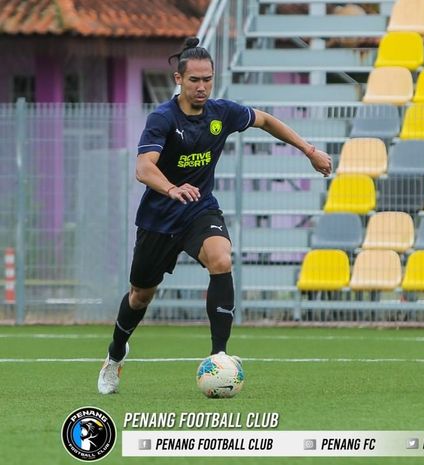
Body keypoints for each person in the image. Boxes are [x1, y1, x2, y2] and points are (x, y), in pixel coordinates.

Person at [98, 37, 332, 394]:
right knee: (140, 296)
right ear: (178, 78)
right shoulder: (162, 118)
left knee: (221, 258)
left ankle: (219, 356)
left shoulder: (222, 113)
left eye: (208, 79)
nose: (202, 86)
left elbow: (265, 120)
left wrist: (309, 150)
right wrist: (172, 189)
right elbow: (144, 169)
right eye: (194, 80)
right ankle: (115, 354)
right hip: (160, 218)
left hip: (199, 210)